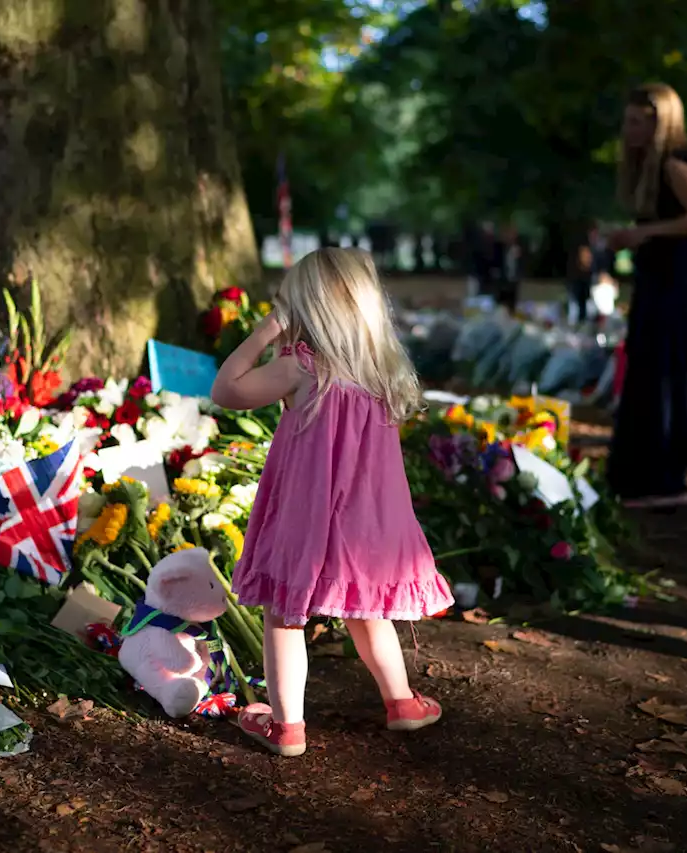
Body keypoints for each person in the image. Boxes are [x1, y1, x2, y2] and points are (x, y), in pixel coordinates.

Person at [210, 247, 454, 757]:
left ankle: (288, 728)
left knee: (285, 616)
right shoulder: (382, 375)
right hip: (369, 523)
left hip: (310, 517)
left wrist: (263, 332)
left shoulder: (300, 368)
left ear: (304, 310)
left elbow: (225, 391)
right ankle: (402, 703)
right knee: (368, 613)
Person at [605, 83, 687, 510]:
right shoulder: (652, 169)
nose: (629, 129)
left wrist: (643, 233)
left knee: (665, 379)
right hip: (661, 283)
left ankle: (662, 481)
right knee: (649, 376)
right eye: (628, 119)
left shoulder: (674, 163)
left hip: (679, 287)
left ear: (661, 122)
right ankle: (645, 479)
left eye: (638, 121)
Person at [494, 222, 523, 314]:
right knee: (501, 302)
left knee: (512, 302)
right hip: (503, 279)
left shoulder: (518, 248)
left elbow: (521, 264)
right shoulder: (500, 248)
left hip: (513, 279)